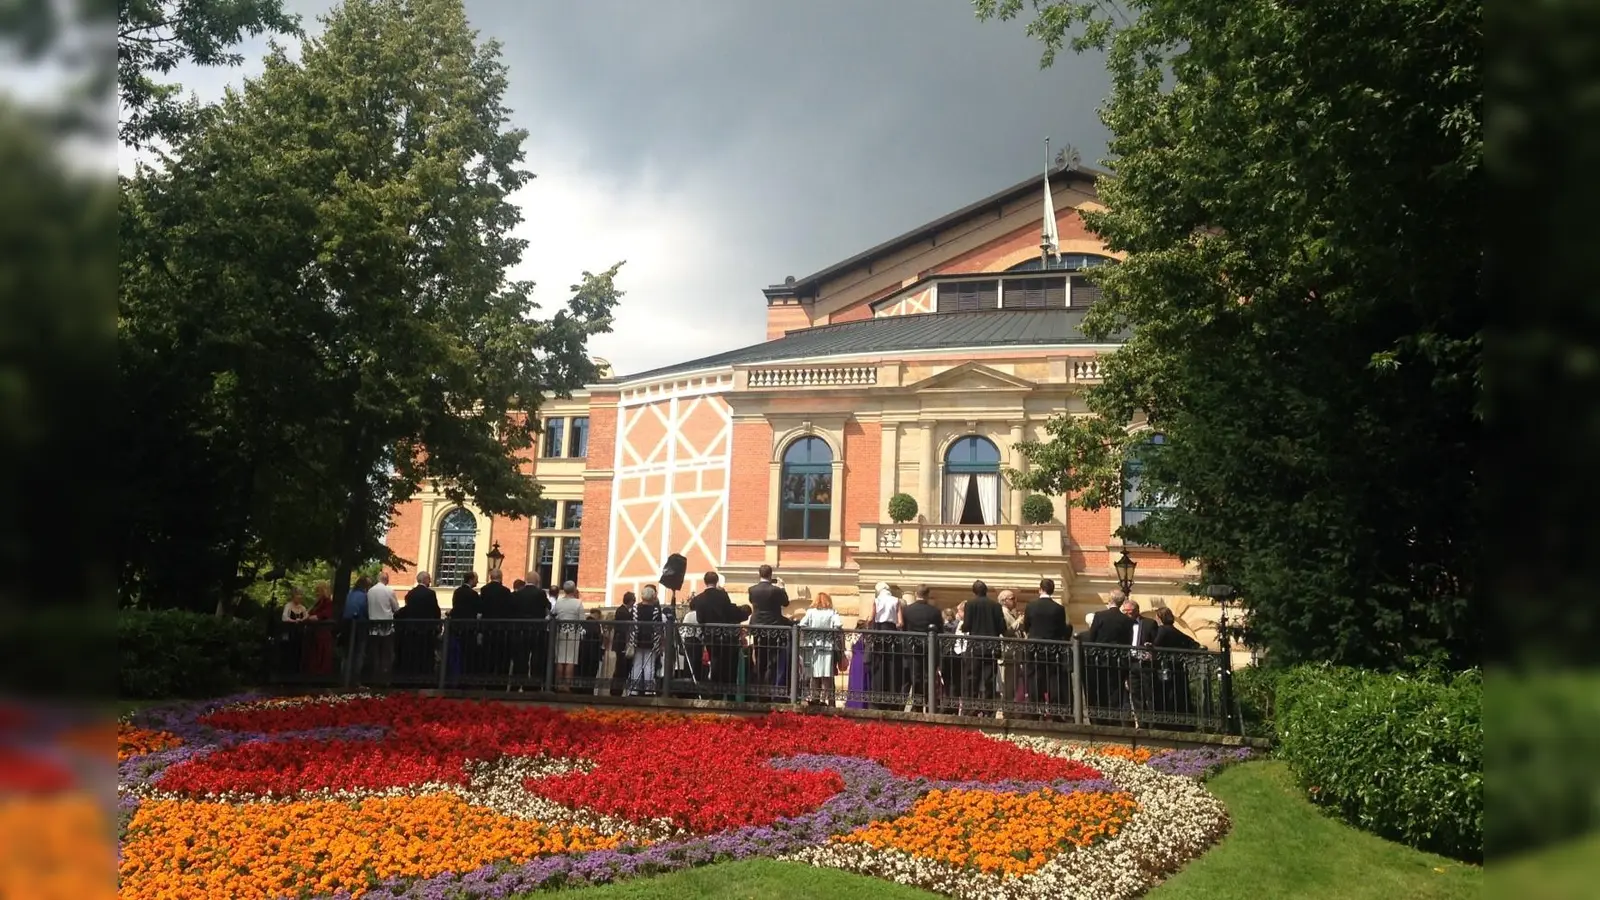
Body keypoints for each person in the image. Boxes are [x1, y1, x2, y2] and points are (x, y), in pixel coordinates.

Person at [1022, 578, 1073, 719]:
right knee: (1053, 680)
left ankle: (1035, 710)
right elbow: (1061, 629)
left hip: (1034, 648)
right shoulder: (1058, 608)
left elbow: (1026, 625)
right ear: (1052, 590)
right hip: (1052, 649)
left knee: (1034, 679)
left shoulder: (1031, 606)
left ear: (1040, 589)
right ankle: (1055, 711)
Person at [959, 580, 1008, 717]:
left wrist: (963, 627)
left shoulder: (970, 604)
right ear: (986, 591)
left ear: (974, 592)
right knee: (989, 679)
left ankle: (970, 708)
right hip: (991, 647)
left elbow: (967, 626)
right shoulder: (996, 606)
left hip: (974, 646)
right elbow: (1001, 628)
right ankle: (989, 710)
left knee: (972, 678)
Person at [692, 574, 744, 698]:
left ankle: (716, 693)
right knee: (726, 664)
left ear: (705, 582)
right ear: (717, 581)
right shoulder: (723, 595)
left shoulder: (699, 598)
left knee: (714, 661)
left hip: (710, 635)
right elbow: (728, 613)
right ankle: (727, 692)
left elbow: (700, 619)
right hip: (725, 635)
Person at [746, 565, 790, 697]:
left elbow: (753, 602)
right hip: (773, 628)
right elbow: (786, 603)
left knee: (760, 658)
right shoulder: (776, 590)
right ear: (771, 575)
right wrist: (782, 588)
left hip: (757, 628)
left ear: (759, 574)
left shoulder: (752, 590)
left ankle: (759, 688)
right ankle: (769, 689)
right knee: (772, 660)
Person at [1151, 606, 1201, 723]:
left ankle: (1166, 720)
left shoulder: (1162, 630)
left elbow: (1156, 645)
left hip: (1166, 666)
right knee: (1179, 693)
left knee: (1166, 693)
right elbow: (1194, 644)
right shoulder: (1176, 630)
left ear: (1160, 618)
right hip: (1179, 666)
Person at [900, 586, 944, 712]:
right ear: (928, 595)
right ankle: (928, 704)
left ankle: (917, 705)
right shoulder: (934, 611)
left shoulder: (908, 610)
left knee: (915, 677)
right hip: (929, 648)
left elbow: (904, 629)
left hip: (911, 647)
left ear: (916, 593)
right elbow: (940, 631)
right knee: (927, 677)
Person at [797, 591, 842, 706]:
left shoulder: (811, 612)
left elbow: (802, 624)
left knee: (814, 673)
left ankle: (815, 698)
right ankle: (827, 699)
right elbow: (838, 625)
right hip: (827, 645)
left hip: (813, 646)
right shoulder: (832, 612)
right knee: (827, 673)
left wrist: (812, 633)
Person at [394, 573, 442, 679]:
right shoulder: (430, 594)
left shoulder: (411, 593)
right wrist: (437, 624)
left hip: (412, 629)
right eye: (429, 579)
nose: (430, 582)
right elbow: (436, 611)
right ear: (424, 580)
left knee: (414, 653)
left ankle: (411, 673)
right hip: (426, 629)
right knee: (425, 653)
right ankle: (425, 674)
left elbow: (406, 610)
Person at [865, 581, 903, 710]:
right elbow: (900, 622)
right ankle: (892, 695)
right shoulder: (896, 600)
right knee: (892, 664)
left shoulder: (877, 600)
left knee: (879, 663)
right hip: (892, 633)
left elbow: (871, 618)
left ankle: (877, 695)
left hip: (879, 633)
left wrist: (867, 626)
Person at [511, 573, 551, 686]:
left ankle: (520, 680)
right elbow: (548, 606)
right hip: (537, 629)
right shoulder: (540, 593)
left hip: (521, 629)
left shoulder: (518, 593)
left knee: (521, 656)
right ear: (537, 581)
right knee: (536, 656)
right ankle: (534, 682)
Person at [627, 585, 664, 695]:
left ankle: (634, 689)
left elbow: (630, 625)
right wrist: (660, 642)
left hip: (637, 639)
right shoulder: (656, 610)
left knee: (637, 664)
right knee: (650, 665)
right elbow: (659, 627)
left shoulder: (635, 609)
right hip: (651, 640)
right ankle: (649, 690)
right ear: (653, 597)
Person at [550, 580, 585, 690]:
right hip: (573, 633)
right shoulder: (578, 603)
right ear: (574, 589)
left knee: (560, 659)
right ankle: (567, 686)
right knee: (570, 660)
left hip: (560, 631)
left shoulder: (559, 602)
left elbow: (553, 614)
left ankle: (558, 684)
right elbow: (582, 620)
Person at [366, 572, 400, 686]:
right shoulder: (388, 590)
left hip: (373, 627)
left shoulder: (370, 591)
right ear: (387, 580)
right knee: (387, 654)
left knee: (374, 654)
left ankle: (373, 678)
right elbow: (396, 608)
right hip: (387, 627)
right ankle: (385, 679)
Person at [448, 572, 482, 680]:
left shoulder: (457, 592)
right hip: (469, 628)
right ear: (471, 580)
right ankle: (466, 676)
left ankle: (456, 676)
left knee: (457, 654)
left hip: (456, 627)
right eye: (476, 579)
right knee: (468, 654)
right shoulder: (473, 594)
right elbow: (478, 610)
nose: (477, 581)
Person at [606, 590, 637, 696]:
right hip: (621, 643)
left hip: (622, 642)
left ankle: (617, 689)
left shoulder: (623, 610)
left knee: (622, 667)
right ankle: (616, 690)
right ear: (630, 601)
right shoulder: (623, 611)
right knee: (620, 667)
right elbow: (625, 628)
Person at [343, 576, 372, 683]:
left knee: (348, 652)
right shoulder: (364, 596)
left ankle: (345, 676)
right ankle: (355, 678)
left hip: (347, 624)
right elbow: (366, 611)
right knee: (359, 652)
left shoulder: (350, 594)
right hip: (360, 625)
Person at [305, 582, 337, 676]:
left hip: (322, 633)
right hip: (314, 633)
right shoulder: (318, 602)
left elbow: (322, 615)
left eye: (318, 591)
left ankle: (320, 675)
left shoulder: (327, 602)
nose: (316, 593)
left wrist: (309, 618)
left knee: (321, 655)